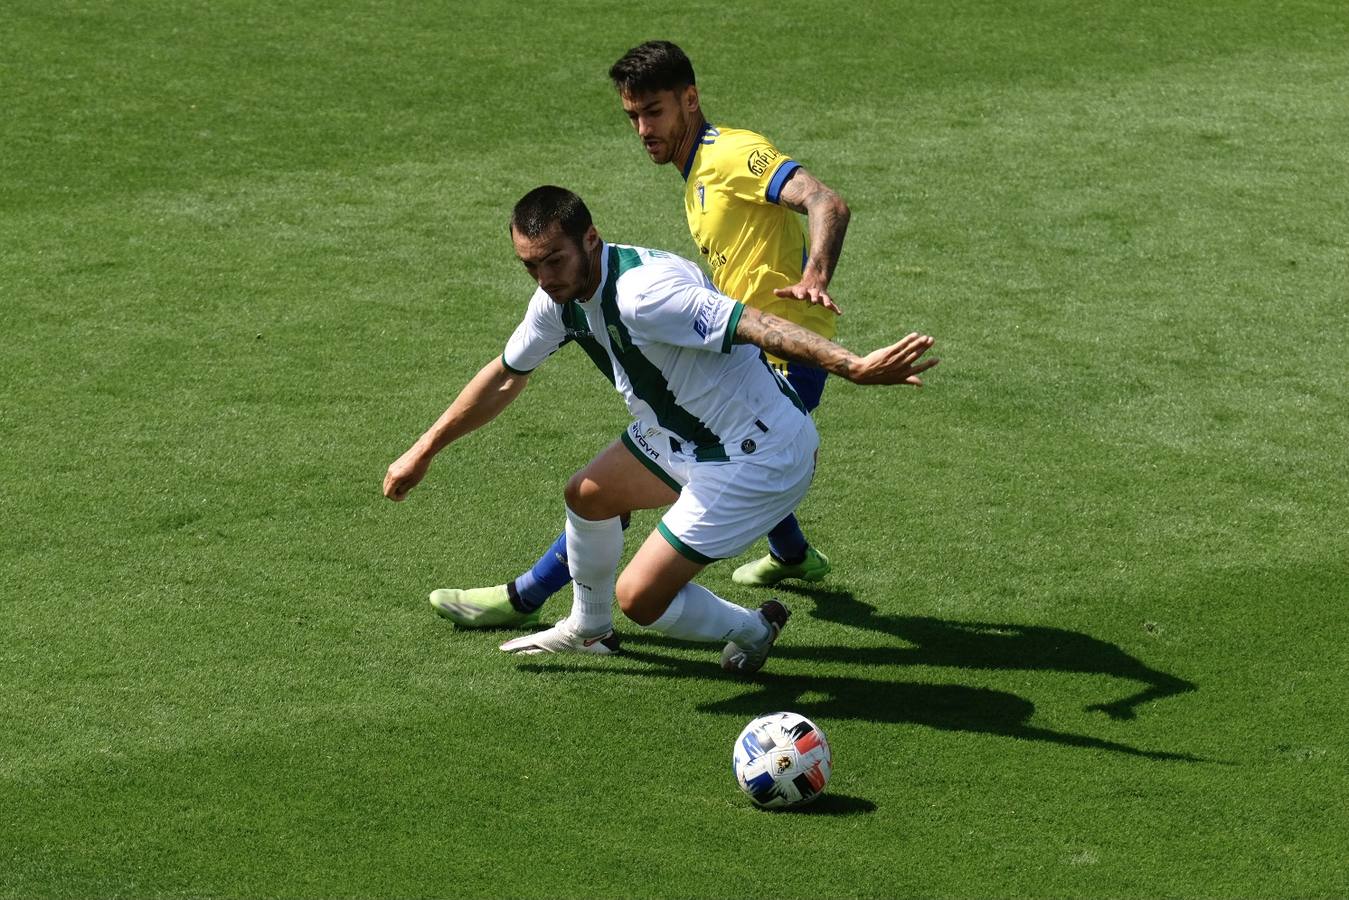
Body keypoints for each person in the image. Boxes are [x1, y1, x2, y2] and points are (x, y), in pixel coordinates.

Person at [383, 186, 936, 671]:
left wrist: (853, 367)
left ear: (591, 240)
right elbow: (505, 377)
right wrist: (424, 450)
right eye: (531, 266)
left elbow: (757, 324)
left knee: (641, 600)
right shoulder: (560, 299)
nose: (544, 279)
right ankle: (589, 630)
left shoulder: (647, 294)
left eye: (553, 261)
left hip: (757, 455)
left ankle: (754, 629)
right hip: (686, 438)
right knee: (588, 495)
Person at [434, 41, 856, 629]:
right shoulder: (695, 176)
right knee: (684, 452)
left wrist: (814, 277)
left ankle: (528, 595)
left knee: (711, 450)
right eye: (632, 115)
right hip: (742, 344)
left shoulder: (732, 155)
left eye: (653, 111)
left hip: (781, 347)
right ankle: (791, 553)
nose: (642, 128)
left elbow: (824, 200)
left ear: (690, 99)